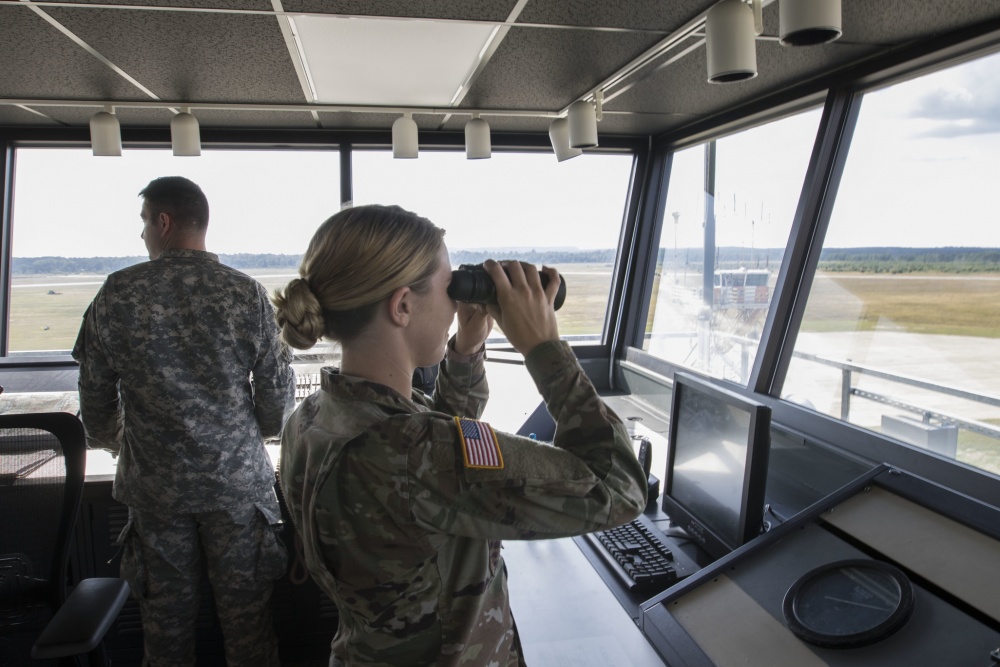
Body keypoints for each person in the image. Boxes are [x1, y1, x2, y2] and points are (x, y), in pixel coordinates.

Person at [273, 204, 647, 666]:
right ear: (403, 306)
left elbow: (437, 468)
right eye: (449, 285)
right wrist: (544, 349)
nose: (455, 303)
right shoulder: (411, 449)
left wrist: (467, 348)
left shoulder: (313, 418)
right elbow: (617, 488)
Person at [73, 176, 295, 666]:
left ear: (164, 222)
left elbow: (93, 396)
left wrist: (118, 442)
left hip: (155, 491)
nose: (144, 236)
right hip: (235, 488)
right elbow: (276, 402)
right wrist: (244, 437)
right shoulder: (247, 295)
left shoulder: (118, 293)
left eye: (144, 224)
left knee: (166, 628)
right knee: (249, 627)